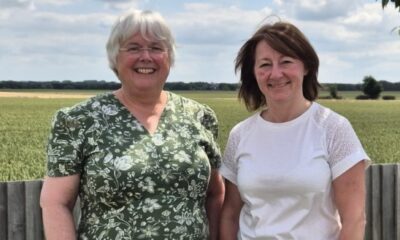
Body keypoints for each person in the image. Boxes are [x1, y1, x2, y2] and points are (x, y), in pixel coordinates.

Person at [40, 9, 224, 240]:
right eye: (134, 47)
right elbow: (55, 203)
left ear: (169, 57)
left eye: (156, 48)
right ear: (115, 57)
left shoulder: (200, 116)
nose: (146, 56)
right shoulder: (78, 121)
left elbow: (215, 195)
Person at [219, 20, 370, 240]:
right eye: (265, 64)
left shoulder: (334, 128)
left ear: (306, 66)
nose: (276, 73)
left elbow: (355, 219)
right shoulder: (240, 135)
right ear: (254, 72)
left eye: (286, 61)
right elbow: (230, 214)